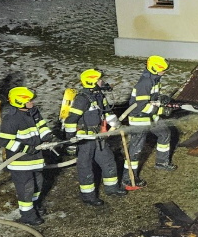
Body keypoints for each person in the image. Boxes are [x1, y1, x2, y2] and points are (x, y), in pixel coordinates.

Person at [63, 68, 126, 205]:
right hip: (84, 139)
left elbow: (107, 112)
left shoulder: (99, 96)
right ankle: (88, 197)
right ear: (92, 82)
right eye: (99, 80)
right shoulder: (82, 99)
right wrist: (71, 142)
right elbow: (70, 120)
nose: (102, 81)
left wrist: (116, 123)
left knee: (108, 160)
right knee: (85, 167)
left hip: (98, 137)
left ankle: (112, 188)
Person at [0, 86, 54, 225]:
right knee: (26, 188)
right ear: (19, 102)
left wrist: (47, 135)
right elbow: (4, 141)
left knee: (38, 184)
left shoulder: (33, 113)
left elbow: (41, 125)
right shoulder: (11, 119)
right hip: (21, 162)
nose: (32, 103)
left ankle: (34, 206)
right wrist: (24, 148)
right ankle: (27, 214)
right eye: (29, 100)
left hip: (35, 159)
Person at [125, 55, 176, 183]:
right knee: (136, 149)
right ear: (154, 69)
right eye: (162, 70)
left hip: (151, 117)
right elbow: (142, 106)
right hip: (139, 119)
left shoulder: (155, 79)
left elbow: (151, 99)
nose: (164, 72)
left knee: (164, 133)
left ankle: (161, 162)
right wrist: (161, 110)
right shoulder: (145, 83)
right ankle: (128, 177)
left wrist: (162, 99)